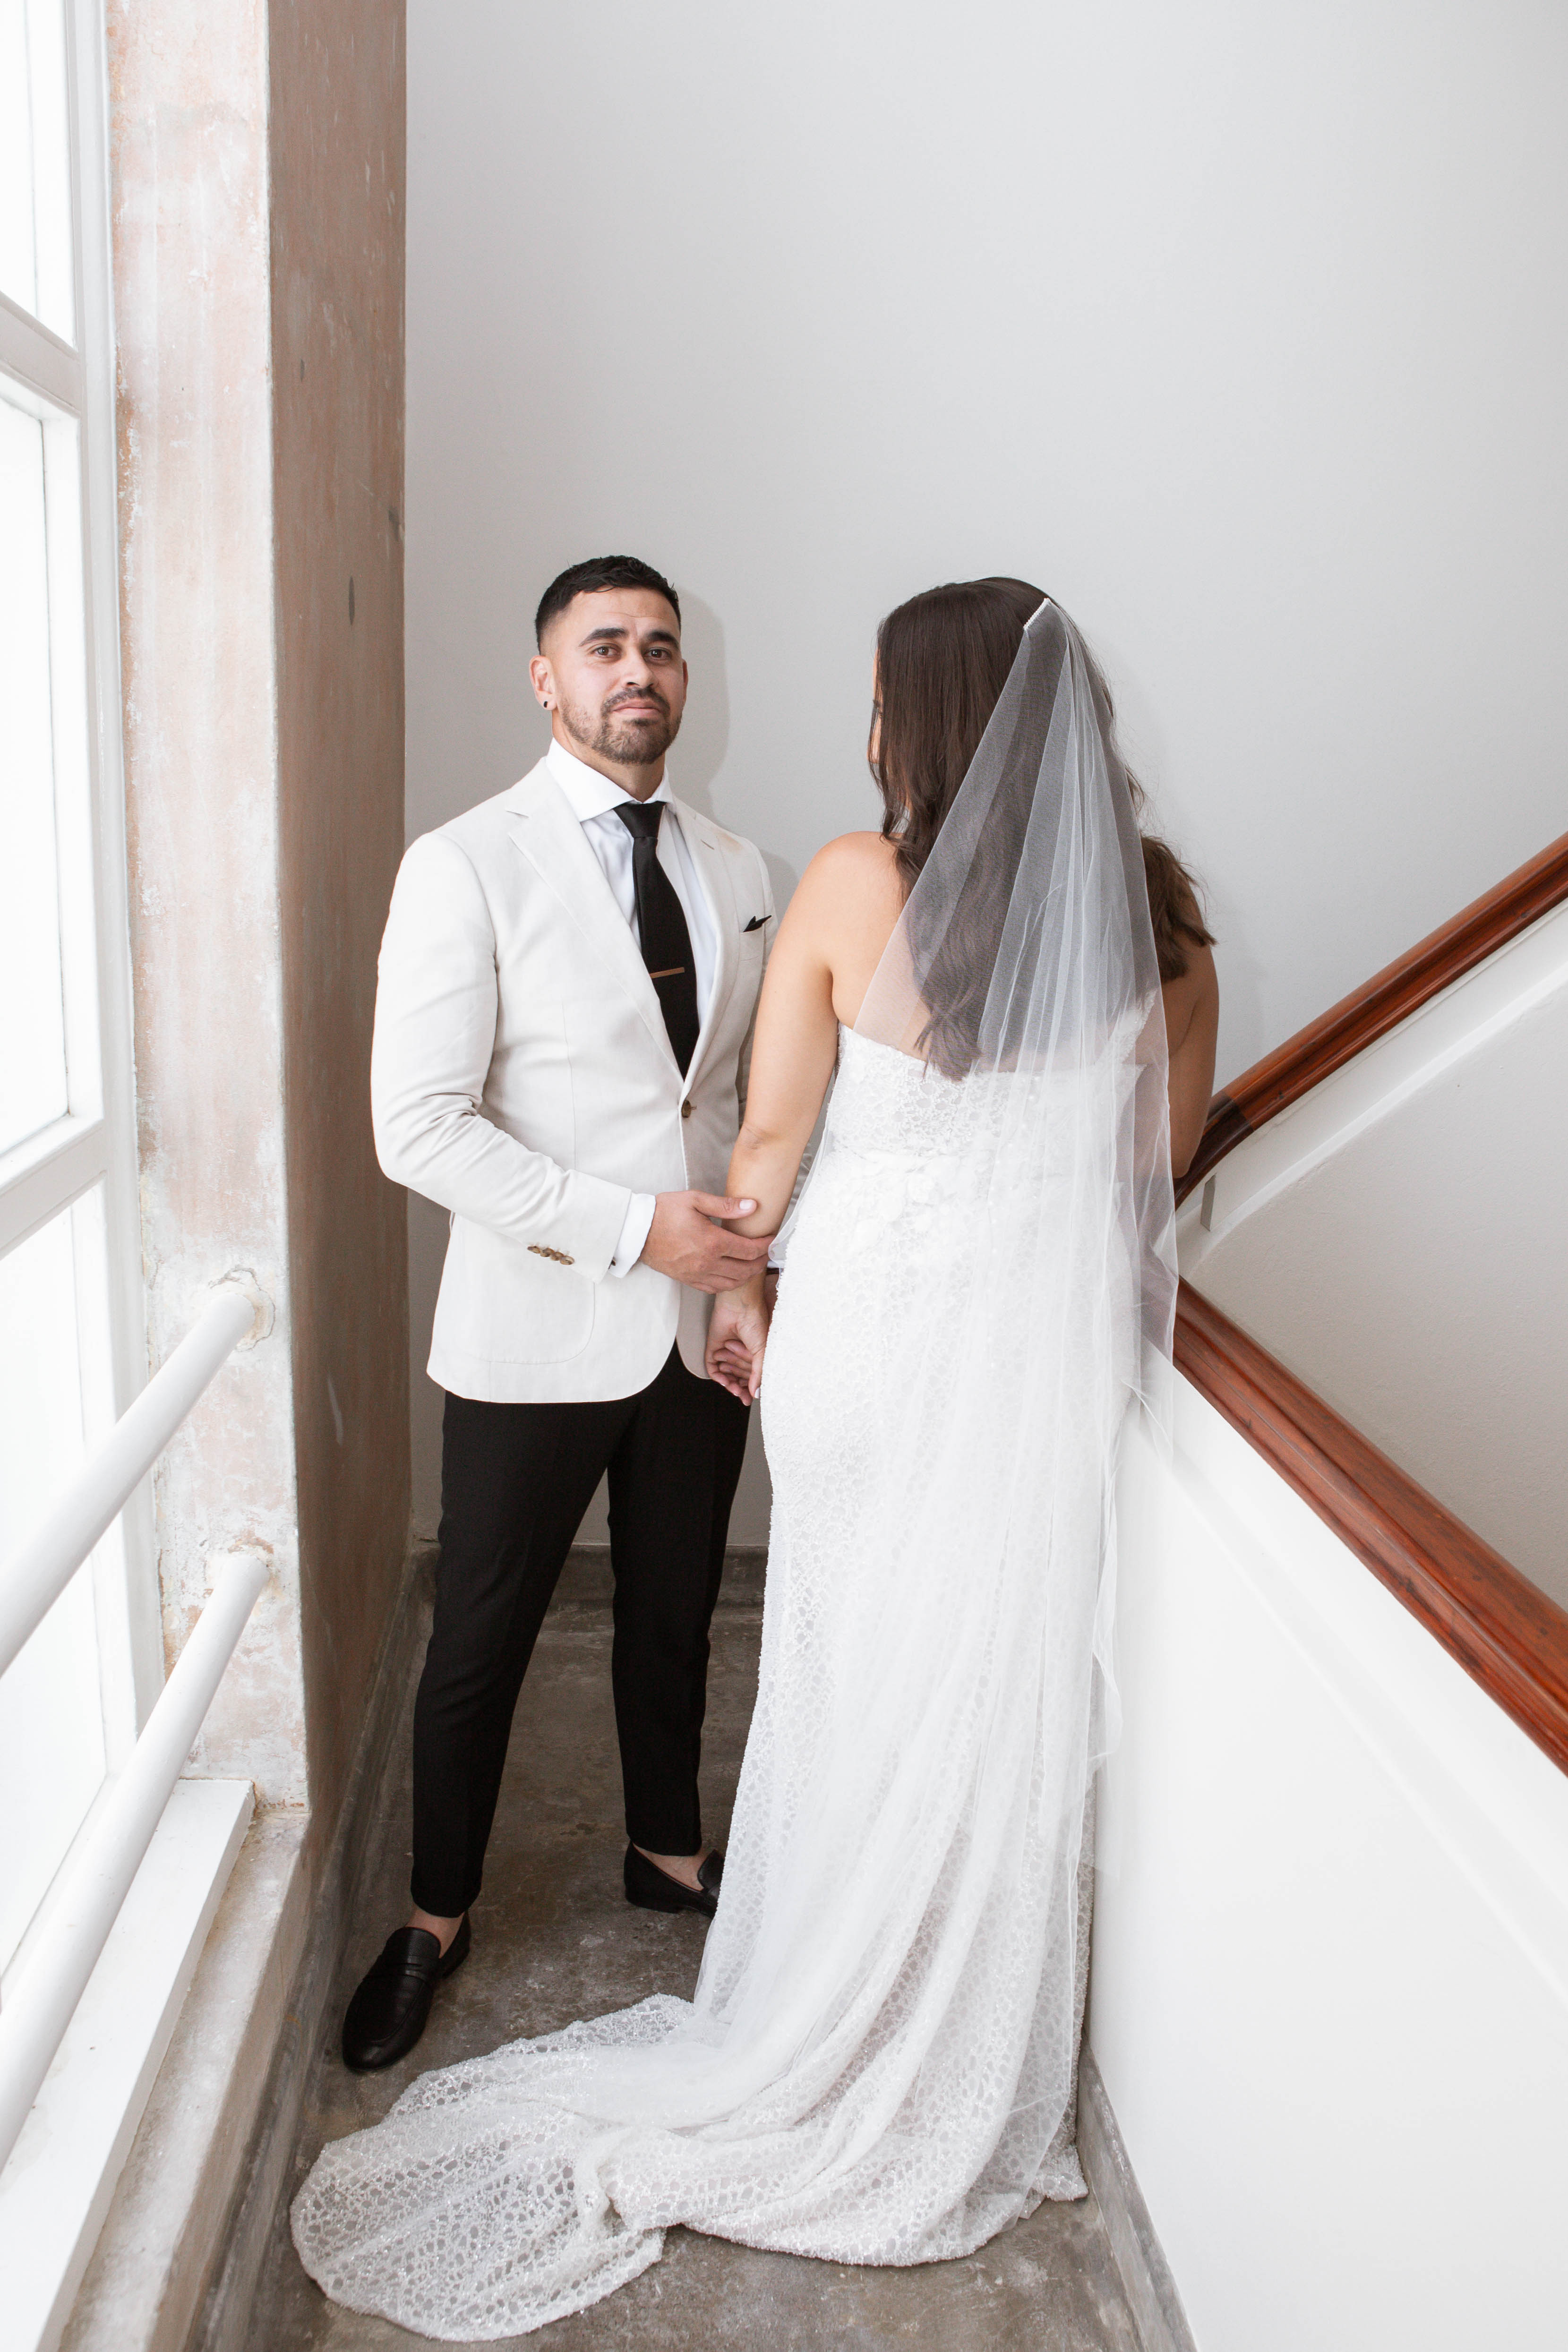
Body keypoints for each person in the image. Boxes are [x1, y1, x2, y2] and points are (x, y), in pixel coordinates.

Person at [294, 579, 1218, 2333]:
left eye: (879, 699)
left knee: (831, 1660)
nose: (863, 727)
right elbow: (1148, 1179)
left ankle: (763, 1928)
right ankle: (484, 1919)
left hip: (852, 1353)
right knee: (966, 1676)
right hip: (1000, 1377)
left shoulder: (831, 878)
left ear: (923, 718)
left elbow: (771, 1137)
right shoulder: (1166, 929)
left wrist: (747, 1280)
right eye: (609, 646)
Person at [341, 556, 778, 2075]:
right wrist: (633, 1228)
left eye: (660, 645)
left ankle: (665, 1850)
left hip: (700, 1331)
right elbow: (417, 1127)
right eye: (604, 646)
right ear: (547, 679)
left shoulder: (740, 867)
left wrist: (746, 1279)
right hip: (535, 1328)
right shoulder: (465, 862)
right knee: (481, 1638)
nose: (637, 669)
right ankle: (435, 1912)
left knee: (675, 1611)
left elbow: (734, 1106)